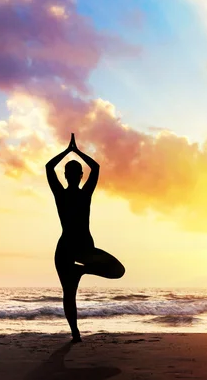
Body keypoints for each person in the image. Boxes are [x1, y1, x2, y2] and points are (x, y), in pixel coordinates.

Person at [46, 133, 125, 342]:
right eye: (73, 173)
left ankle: (83, 271)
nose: (74, 176)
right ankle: (75, 334)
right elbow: (96, 168)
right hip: (72, 249)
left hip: (80, 249)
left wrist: (69, 151)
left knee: (70, 293)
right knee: (69, 293)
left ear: (74, 175)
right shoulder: (69, 194)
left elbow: (48, 167)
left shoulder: (76, 194)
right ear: (78, 175)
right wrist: (75, 151)